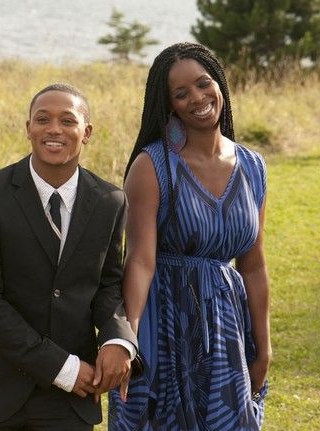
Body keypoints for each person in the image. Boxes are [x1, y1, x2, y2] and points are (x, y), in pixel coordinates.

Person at [0, 83, 138, 430]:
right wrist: (62, 368)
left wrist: (117, 339)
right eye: (43, 119)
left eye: (68, 121)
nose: (54, 129)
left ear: (86, 132)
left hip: (70, 401)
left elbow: (107, 287)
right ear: (28, 128)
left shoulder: (111, 201)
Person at [108, 43, 271, 430]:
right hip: (165, 324)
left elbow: (254, 264)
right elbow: (141, 262)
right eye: (181, 94)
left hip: (228, 326)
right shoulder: (152, 165)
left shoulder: (252, 166)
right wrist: (127, 342)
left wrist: (264, 347)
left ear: (219, 84)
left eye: (203, 84)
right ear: (169, 105)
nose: (197, 98)